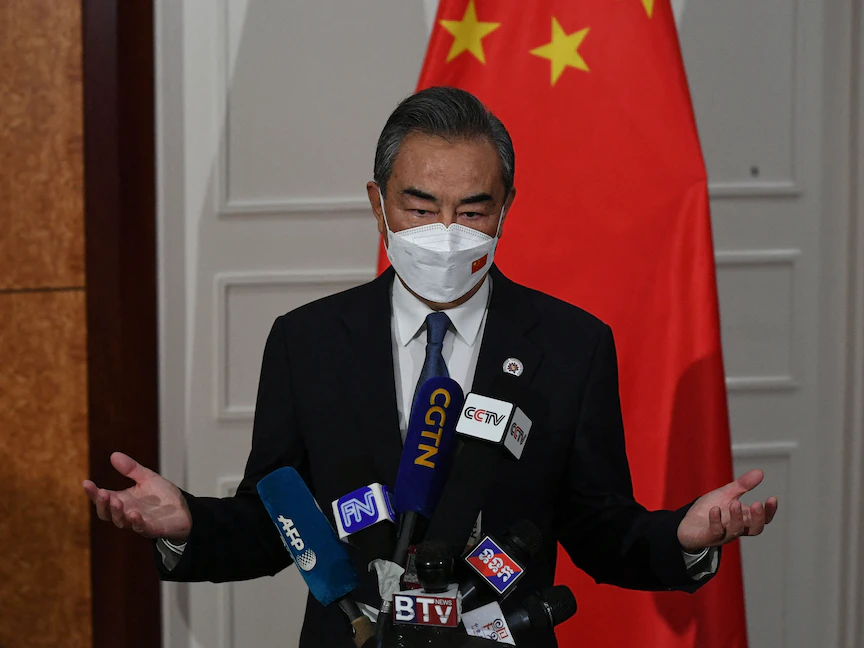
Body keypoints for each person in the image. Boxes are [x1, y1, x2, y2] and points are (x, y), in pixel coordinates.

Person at [83, 86, 778, 647]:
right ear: (378, 203)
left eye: (472, 210)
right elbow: (278, 524)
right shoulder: (308, 341)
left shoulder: (573, 345)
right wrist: (189, 524)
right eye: (420, 206)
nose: (445, 232)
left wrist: (682, 537)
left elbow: (601, 529)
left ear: (506, 207)